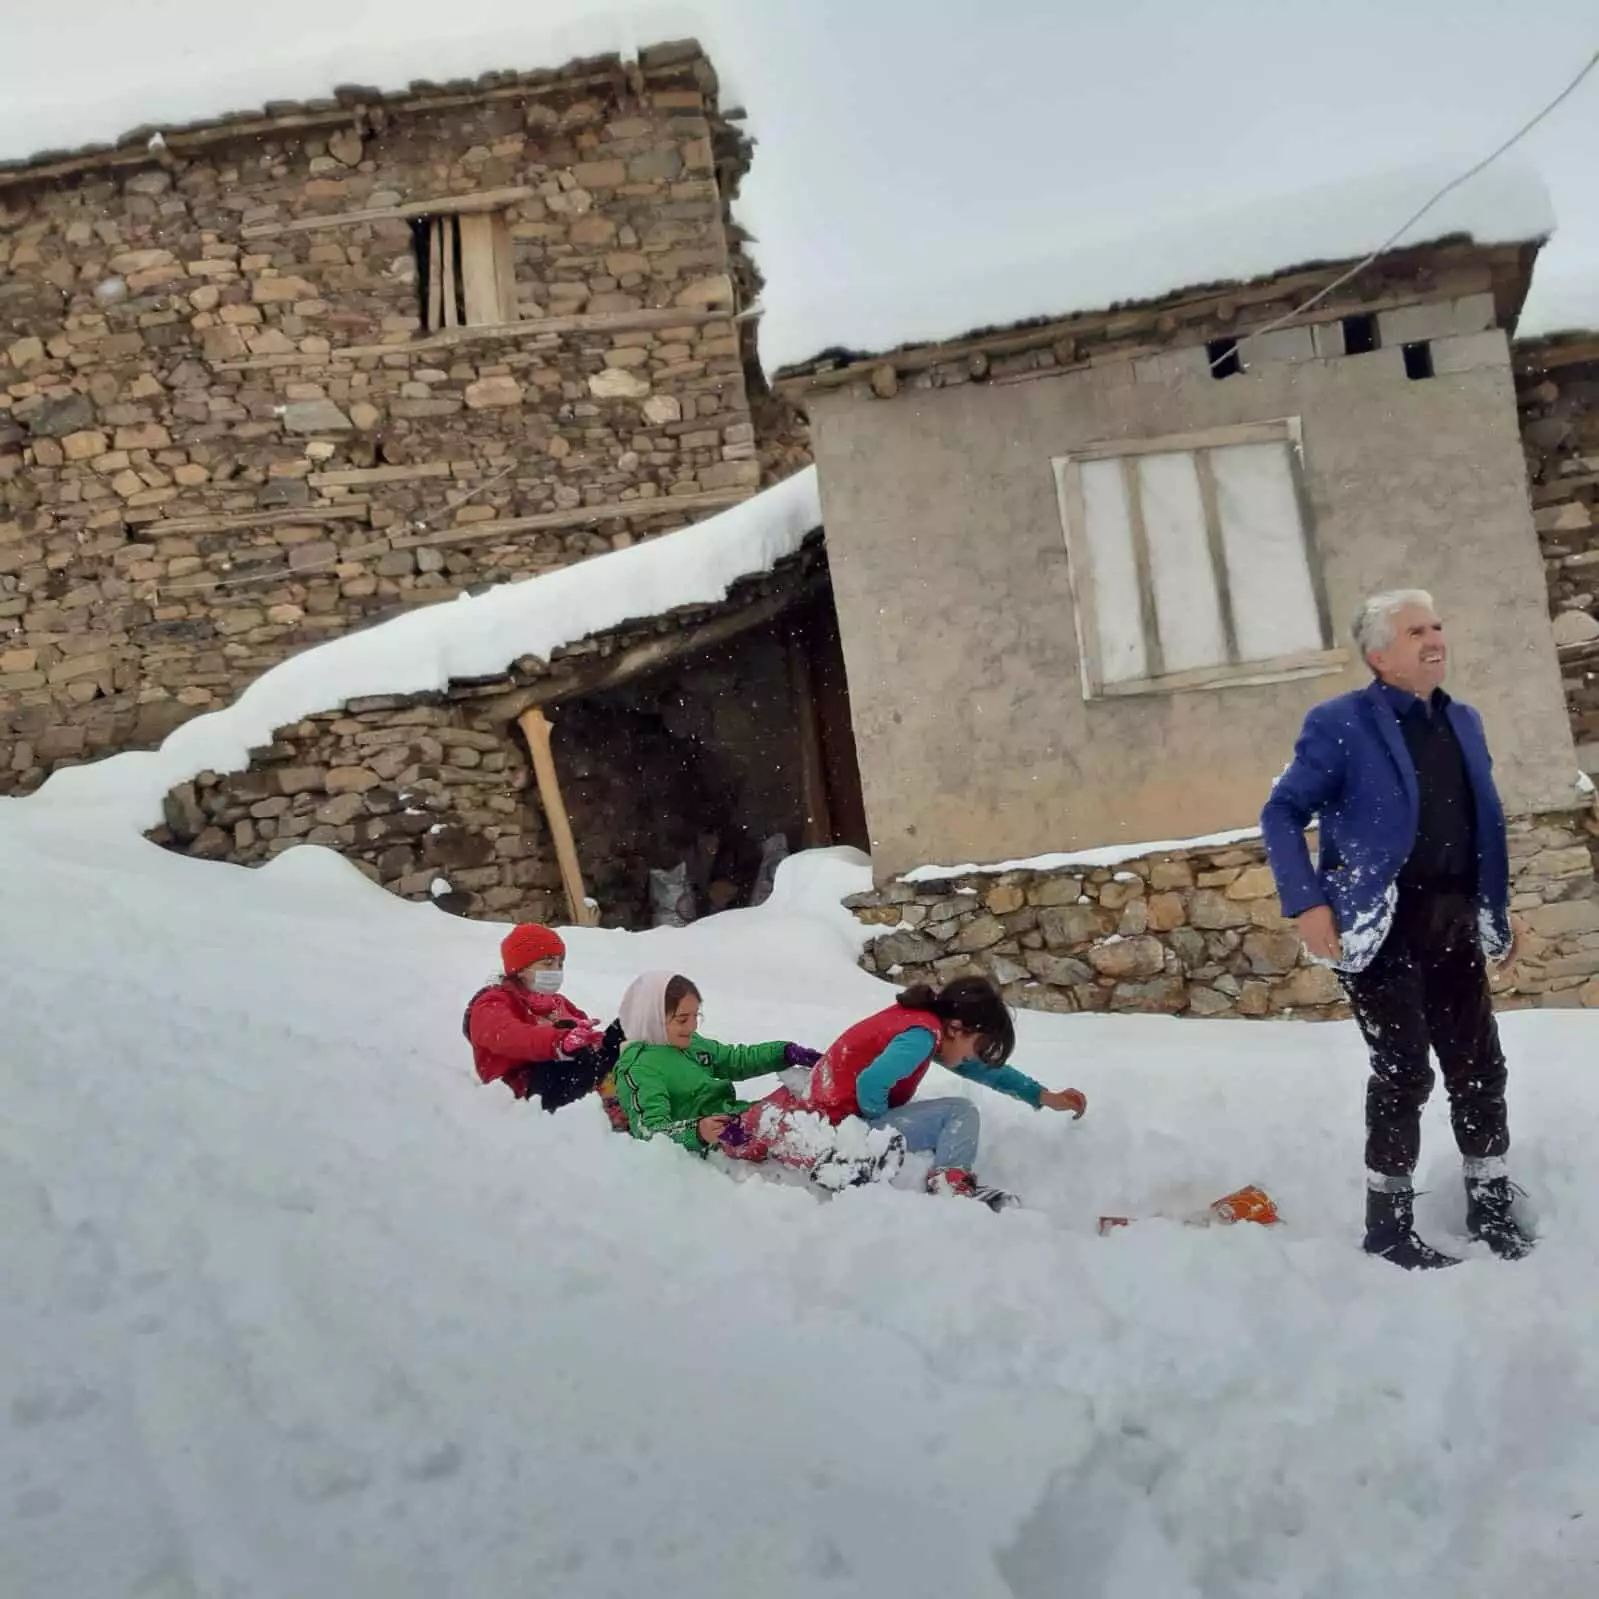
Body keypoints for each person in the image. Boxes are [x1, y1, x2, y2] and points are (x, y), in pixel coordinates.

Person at [1260, 589, 1532, 1269]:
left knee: (1479, 1067)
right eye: (1416, 630)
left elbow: (1477, 824)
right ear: (1380, 655)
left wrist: (1496, 904)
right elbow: (1282, 810)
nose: (1434, 637)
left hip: (1452, 917)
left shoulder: (1463, 720)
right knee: (1403, 1071)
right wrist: (1306, 901)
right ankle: (1388, 1228)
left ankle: (1489, 1203)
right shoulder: (1340, 722)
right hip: (1380, 925)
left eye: (1437, 625)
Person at [797, 977, 1088, 1211]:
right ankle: (951, 1183)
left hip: (827, 1119)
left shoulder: (923, 1026)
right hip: (843, 1132)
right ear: (957, 1029)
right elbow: (871, 1083)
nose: (974, 1057)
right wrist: (877, 1140)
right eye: (979, 1047)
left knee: (953, 1110)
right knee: (959, 1112)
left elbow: (985, 1071)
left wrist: (1041, 1095)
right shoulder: (922, 1035)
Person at [612, 972, 901, 1187]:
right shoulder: (639, 1067)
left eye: (695, 1016)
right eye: (682, 1019)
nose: (692, 1026)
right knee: (770, 1120)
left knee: (799, 1092)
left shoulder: (690, 1043)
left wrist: (784, 1053)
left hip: (735, 1119)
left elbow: (735, 1060)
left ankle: (853, 1139)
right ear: (651, 1017)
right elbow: (649, 1132)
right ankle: (840, 1168)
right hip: (718, 1140)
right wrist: (698, 1132)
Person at [464, 923, 626, 1127]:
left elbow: (584, 1034)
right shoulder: (493, 1002)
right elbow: (510, 1036)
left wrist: (604, 1042)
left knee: (619, 1038)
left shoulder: (557, 1002)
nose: (556, 970)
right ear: (520, 968)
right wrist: (559, 1042)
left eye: (560, 964)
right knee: (578, 1053)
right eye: (548, 964)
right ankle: (606, 1112)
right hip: (525, 1085)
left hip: (570, 1075)